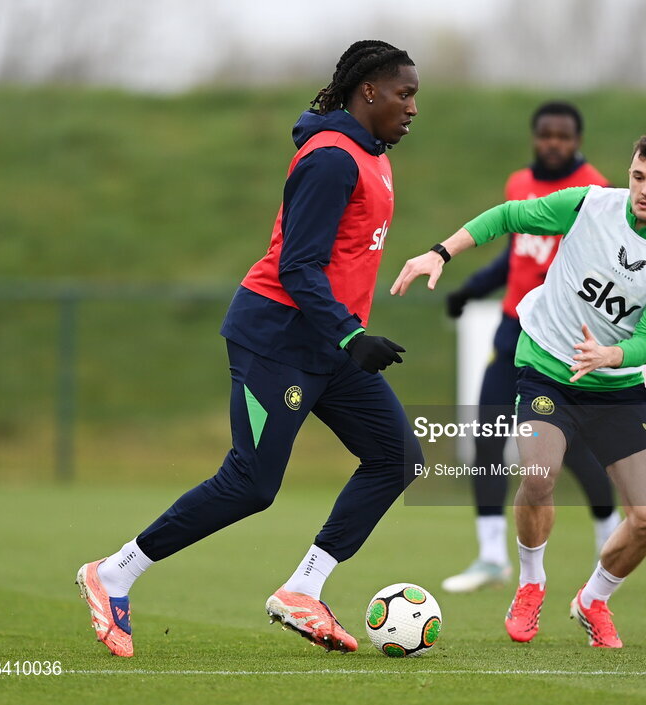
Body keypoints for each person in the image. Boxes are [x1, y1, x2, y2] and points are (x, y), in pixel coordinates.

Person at [76, 40, 423, 657]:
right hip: (280, 340)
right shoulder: (331, 159)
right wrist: (351, 335)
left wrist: (346, 337)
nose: (412, 107)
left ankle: (303, 589)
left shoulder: (374, 157)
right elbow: (298, 267)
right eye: (405, 93)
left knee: (395, 457)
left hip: (327, 345)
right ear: (368, 91)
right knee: (251, 484)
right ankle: (114, 574)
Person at [392, 130, 646, 648]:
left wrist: (611, 355)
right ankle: (531, 582)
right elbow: (508, 217)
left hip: (614, 384)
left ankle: (593, 599)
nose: (644, 189)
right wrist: (440, 254)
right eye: (638, 176)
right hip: (547, 365)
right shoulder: (590, 205)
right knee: (539, 473)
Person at [441, 101, 620, 594]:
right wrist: (471, 288)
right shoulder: (519, 185)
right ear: (534, 137)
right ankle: (491, 556)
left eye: (563, 136)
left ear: (577, 140)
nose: (554, 143)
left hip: (561, 335)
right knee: (488, 433)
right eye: (546, 135)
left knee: (572, 446)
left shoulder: (596, 192)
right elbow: (516, 254)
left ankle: (609, 531)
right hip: (512, 327)